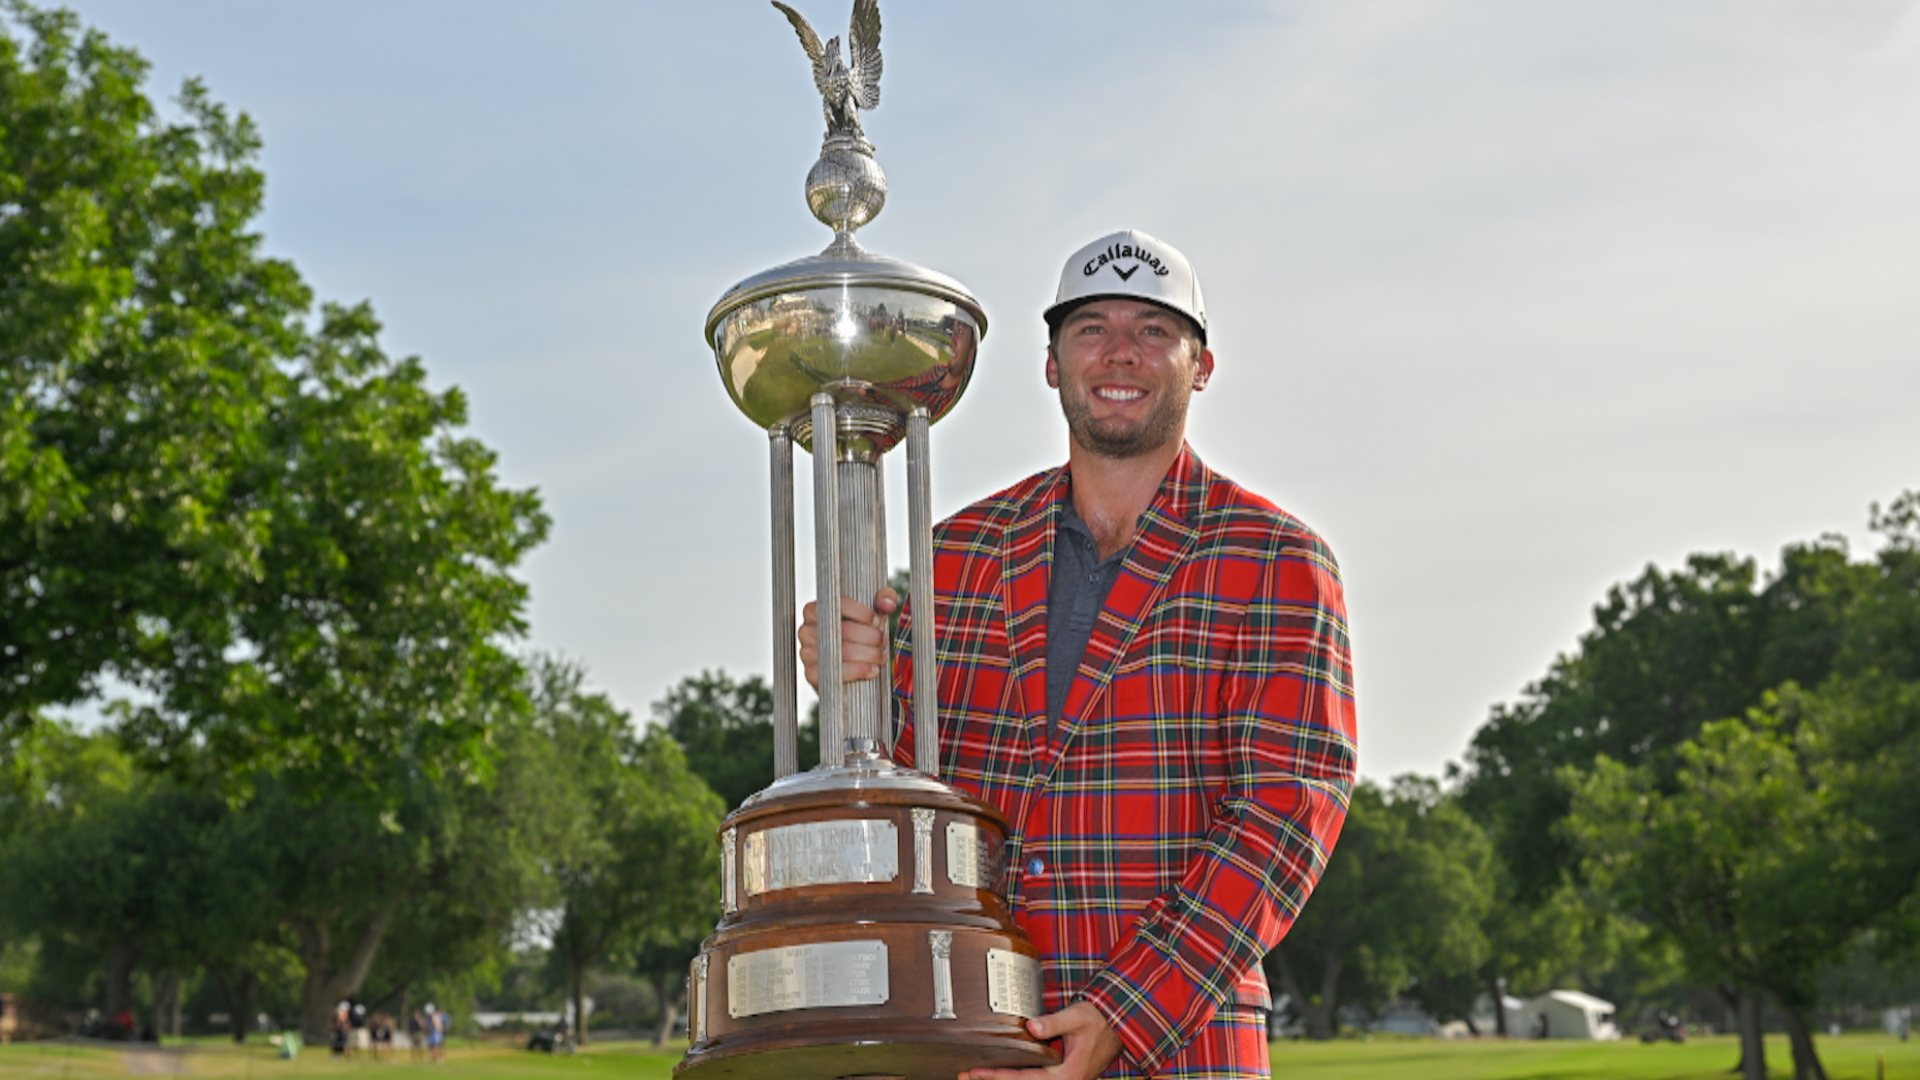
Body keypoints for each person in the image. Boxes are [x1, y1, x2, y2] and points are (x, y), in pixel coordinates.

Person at [801, 229, 1357, 1080]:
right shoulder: (955, 552)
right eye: (1091, 328)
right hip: (980, 1036)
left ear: (1200, 364)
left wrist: (1126, 1009)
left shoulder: (1278, 558)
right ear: (1054, 363)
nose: (1120, 352)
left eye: (1153, 329)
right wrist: (858, 685)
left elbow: (1284, 815)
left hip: (1185, 1040)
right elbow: (923, 794)